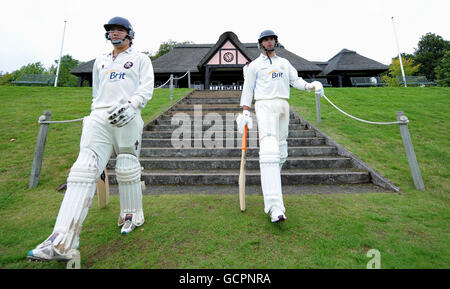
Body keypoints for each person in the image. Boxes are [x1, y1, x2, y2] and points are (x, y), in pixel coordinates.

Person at [27, 16, 154, 261]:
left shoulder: (140, 59)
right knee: (82, 171)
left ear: (129, 33)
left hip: (127, 115)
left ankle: (131, 214)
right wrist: (97, 111)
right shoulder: (101, 61)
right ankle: (62, 239)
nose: (115, 34)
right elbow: (97, 91)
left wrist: (133, 105)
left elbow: (146, 87)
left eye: (119, 30)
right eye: (111, 30)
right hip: (99, 116)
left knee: (127, 166)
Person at [236, 30, 324, 223]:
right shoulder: (254, 66)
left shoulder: (284, 63)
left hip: (283, 105)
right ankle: (275, 206)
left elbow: (295, 81)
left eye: (272, 39)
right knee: (269, 151)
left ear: (275, 42)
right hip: (264, 105)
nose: (269, 42)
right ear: (261, 43)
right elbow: (248, 88)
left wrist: (311, 86)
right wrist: (244, 111)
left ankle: (270, 179)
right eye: (266, 40)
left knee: (281, 153)